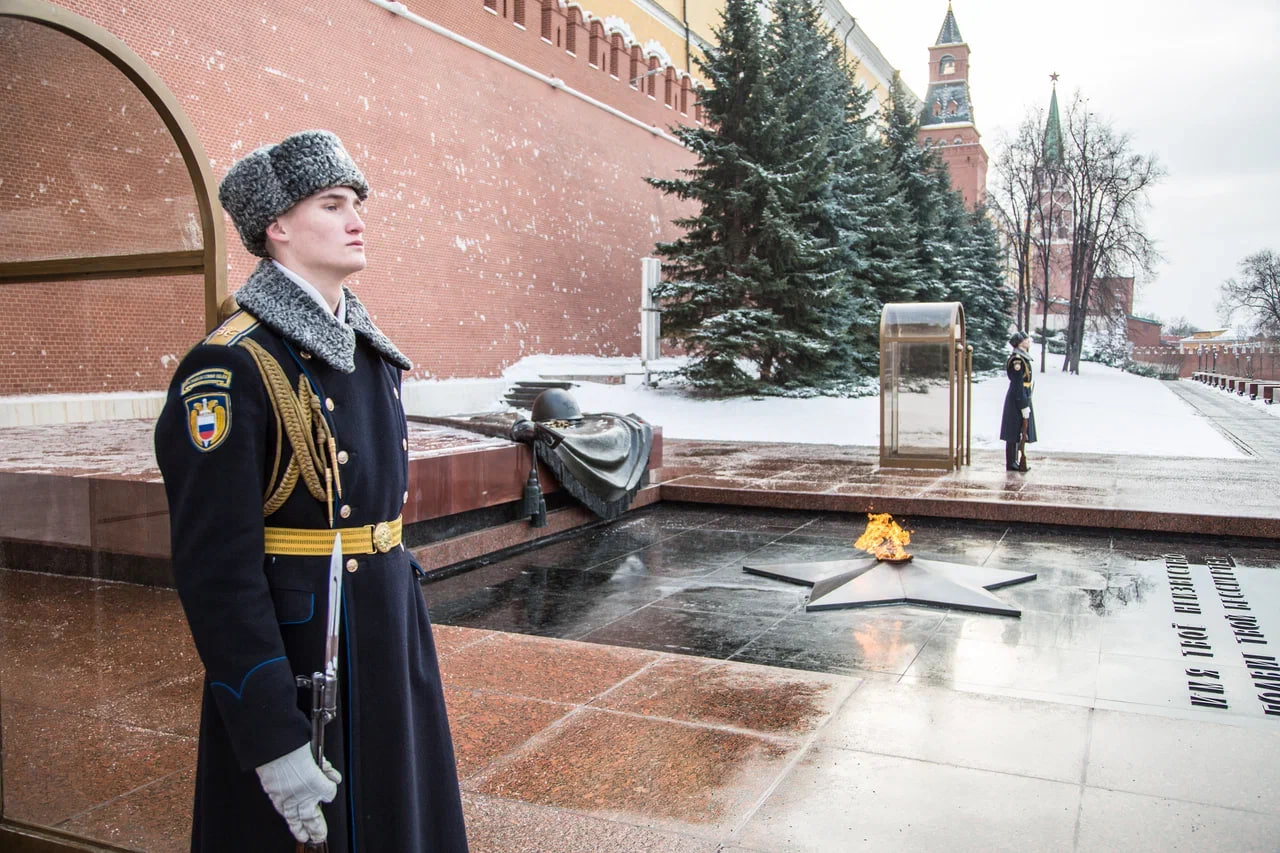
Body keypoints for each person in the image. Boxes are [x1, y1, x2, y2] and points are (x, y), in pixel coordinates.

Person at [154, 130, 468, 852]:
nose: (357, 217)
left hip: (386, 630)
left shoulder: (366, 350)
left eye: (357, 201)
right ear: (277, 226)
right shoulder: (231, 366)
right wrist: (271, 736)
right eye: (332, 203)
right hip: (303, 656)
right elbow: (216, 573)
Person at [1001, 331, 1037, 472]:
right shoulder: (1017, 360)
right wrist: (1022, 405)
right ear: (1020, 342)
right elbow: (1017, 384)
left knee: (1019, 430)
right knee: (1013, 430)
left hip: (1023, 394)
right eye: (1026, 339)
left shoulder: (1023, 358)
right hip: (1017, 396)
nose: (1028, 341)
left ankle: (1015, 460)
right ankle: (1011, 462)